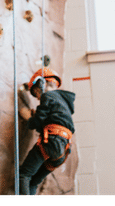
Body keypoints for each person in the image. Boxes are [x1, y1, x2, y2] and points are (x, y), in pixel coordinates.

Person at [18, 68, 75, 196]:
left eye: (36, 92)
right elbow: (53, 121)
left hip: (52, 142)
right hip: (63, 150)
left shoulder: (48, 96)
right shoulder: (64, 103)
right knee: (33, 182)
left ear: (42, 83)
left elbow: (37, 122)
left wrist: (29, 119)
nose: (38, 97)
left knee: (23, 174)